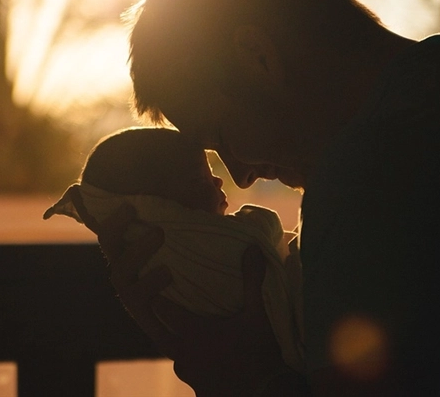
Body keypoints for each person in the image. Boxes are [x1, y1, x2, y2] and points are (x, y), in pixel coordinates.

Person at [81, 0, 440, 396]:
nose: (241, 174)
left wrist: (236, 372)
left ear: (257, 56)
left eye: (221, 135)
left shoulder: (369, 174)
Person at [43, 127, 305, 373]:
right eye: (197, 179)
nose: (220, 180)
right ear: (154, 207)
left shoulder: (150, 267)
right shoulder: (195, 248)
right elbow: (264, 232)